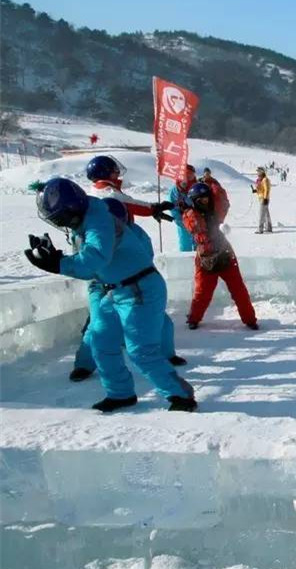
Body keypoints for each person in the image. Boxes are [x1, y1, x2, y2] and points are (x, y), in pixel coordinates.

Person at [25, 178, 196, 412]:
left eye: (60, 218)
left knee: (140, 351)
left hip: (140, 290)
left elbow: (95, 259)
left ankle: (180, 396)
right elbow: (93, 270)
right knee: (100, 340)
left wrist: (59, 264)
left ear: (71, 210)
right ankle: (120, 393)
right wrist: (59, 258)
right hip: (115, 289)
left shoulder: (99, 222)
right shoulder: (84, 222)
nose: (61, 224)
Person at [71, 196, 187, 381]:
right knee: (96, 325)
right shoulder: (86, 234)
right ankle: (84, 365)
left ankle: (168, 354)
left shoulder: (135, 234)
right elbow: (84, 263)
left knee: (162, 320)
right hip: (100, 285)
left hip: (131, 284)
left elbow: (145, 259)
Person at [183, 183, 258, 330]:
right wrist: (190, 212)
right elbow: (196, 228)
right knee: (202, 292)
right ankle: (194, 319)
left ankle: (250, 320)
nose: (206, 202)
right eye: (201, 200)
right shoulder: (190, 215)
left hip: (225, 255)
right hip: (206, 259)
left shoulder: (216, 211)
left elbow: (223, 200)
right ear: (194, 201)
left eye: (207, 198)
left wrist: (211, 182)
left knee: (239, 290)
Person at [168, 165, 199, 251]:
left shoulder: (196, 187)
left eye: (190, 175)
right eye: (186, 176)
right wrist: (182, 222)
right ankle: (185, 261)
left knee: (200, 244)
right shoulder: (175, 192)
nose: (188, 179)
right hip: (183, 222)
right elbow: (173, 208)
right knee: (185, 245)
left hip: (197, 222)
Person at [253, 167, 272, 234]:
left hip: (264, 199)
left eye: (258, 171)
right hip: (261, 198)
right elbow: (262, 189)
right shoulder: (260, 180)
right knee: (266, 214)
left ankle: (260, 229)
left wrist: (265, 198)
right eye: (257, 172)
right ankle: (269, 228)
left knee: (261, 214)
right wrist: (256, 190)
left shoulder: (265, 180)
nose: (257, 173)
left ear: (262, 172)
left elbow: (267, 189)